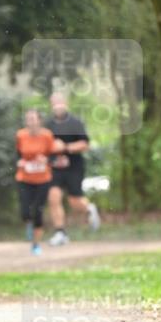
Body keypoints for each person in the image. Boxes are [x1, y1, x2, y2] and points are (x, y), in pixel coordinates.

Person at [45, 92, 101, 246]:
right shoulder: (48, 124)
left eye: (60, 102)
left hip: (74, 167)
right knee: (53, 197)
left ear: (66, 103)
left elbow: (84, 144)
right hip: (55, 167)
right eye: (54, 102)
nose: (57, 105)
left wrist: (66, 147)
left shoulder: (75, 123)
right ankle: (60, 232)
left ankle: (89, 209)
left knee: (74, 200)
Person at [15, 108, 54, 256]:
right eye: (28, 119)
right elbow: (17, 155)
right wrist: (20, 162)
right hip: (24, 178)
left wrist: (46, 160)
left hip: (43, 179)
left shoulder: (47, 136)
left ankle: (36, 244)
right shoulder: (20, 135)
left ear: (39, 121)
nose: (30, 122)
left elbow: (54, 157)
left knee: (37, 210)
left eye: (33, 119)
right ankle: (28, 224)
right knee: (25, 211)